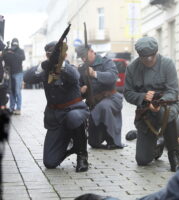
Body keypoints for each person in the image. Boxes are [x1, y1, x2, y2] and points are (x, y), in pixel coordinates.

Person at [23, 41, 89, 172]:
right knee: (50, 162)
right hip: (56, 118)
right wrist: (42, 66)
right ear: (46, 55)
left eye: (57, 55)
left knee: (74, 117)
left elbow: (75, 76)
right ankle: (71, 145)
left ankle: (82, 154)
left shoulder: (69, 68)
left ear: (64, 55)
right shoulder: (45, 70)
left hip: (74, 112)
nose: (53, 58)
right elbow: (27, 78)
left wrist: (60, 63)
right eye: (50, 55)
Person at [124, 36, 179, 172]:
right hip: (145, 113)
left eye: (151, 56)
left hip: (167, 106)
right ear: (139, 55)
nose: (149, 60)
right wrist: (143, 97)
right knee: (143, 160)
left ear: (156, 52)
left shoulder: (167, 64)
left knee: (165, 114)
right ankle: (158, 144)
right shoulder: (132, 68)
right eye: (145, 58)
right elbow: (127, 93)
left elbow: (173, 91)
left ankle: (174, 155)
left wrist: (158, 102)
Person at [75, 44, 123, 150]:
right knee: (93, 142)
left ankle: (114, 141)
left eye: (85, 56)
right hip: (93, 103)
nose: (83, 59)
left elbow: (112, 77)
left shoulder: (107, 62)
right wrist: (81, 90)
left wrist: (95, 74)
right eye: (81, 57)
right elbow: (78, 87)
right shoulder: (82, 69)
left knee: (104, 107)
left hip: (111, 99)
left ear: (92, 51)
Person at [2, 38, 25, 115]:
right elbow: (3, 57)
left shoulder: (20, 51)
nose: (14, 45)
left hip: (18, 73)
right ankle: (12, 108)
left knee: (17, 91)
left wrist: (13, 53)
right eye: (13, 44)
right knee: (11, 91)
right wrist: (6, 50)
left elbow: (23, 58)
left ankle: (18, 109)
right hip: (10, 73)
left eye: (15, 44)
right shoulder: (8, 50)